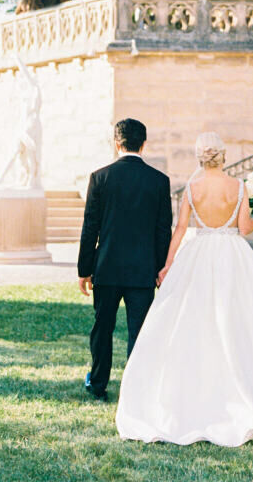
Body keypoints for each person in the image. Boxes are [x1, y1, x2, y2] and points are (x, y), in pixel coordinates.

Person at [115, 131, 253, 445]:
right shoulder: (238, 187)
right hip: (232, 255)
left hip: (198, 254)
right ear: (223, 156)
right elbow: (246, 228)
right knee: (243, 316)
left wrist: (168, 265)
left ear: (200, 157)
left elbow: (180, 229)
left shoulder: (192, 189)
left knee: (195, 320)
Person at [77, 118, 171, 402]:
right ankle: (137, 387)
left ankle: (97, 383)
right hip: (143, 270)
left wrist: (84, 269)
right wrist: (160, 267)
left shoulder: (100, 177)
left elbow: (90, 227)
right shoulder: (159, 181)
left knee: (102, 327)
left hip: (106, 267)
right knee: (140, 331)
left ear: (116, 143)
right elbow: (161, 230)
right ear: (143, 144)